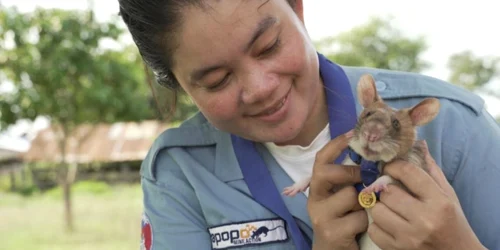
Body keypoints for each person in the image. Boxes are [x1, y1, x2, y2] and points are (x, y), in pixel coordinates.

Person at [118, 0, 500, 249]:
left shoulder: (452, 126)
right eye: (217, 80)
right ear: (178, 84)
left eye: (268, 46)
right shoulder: (179, 171)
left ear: (297, 9)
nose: (261, 88)